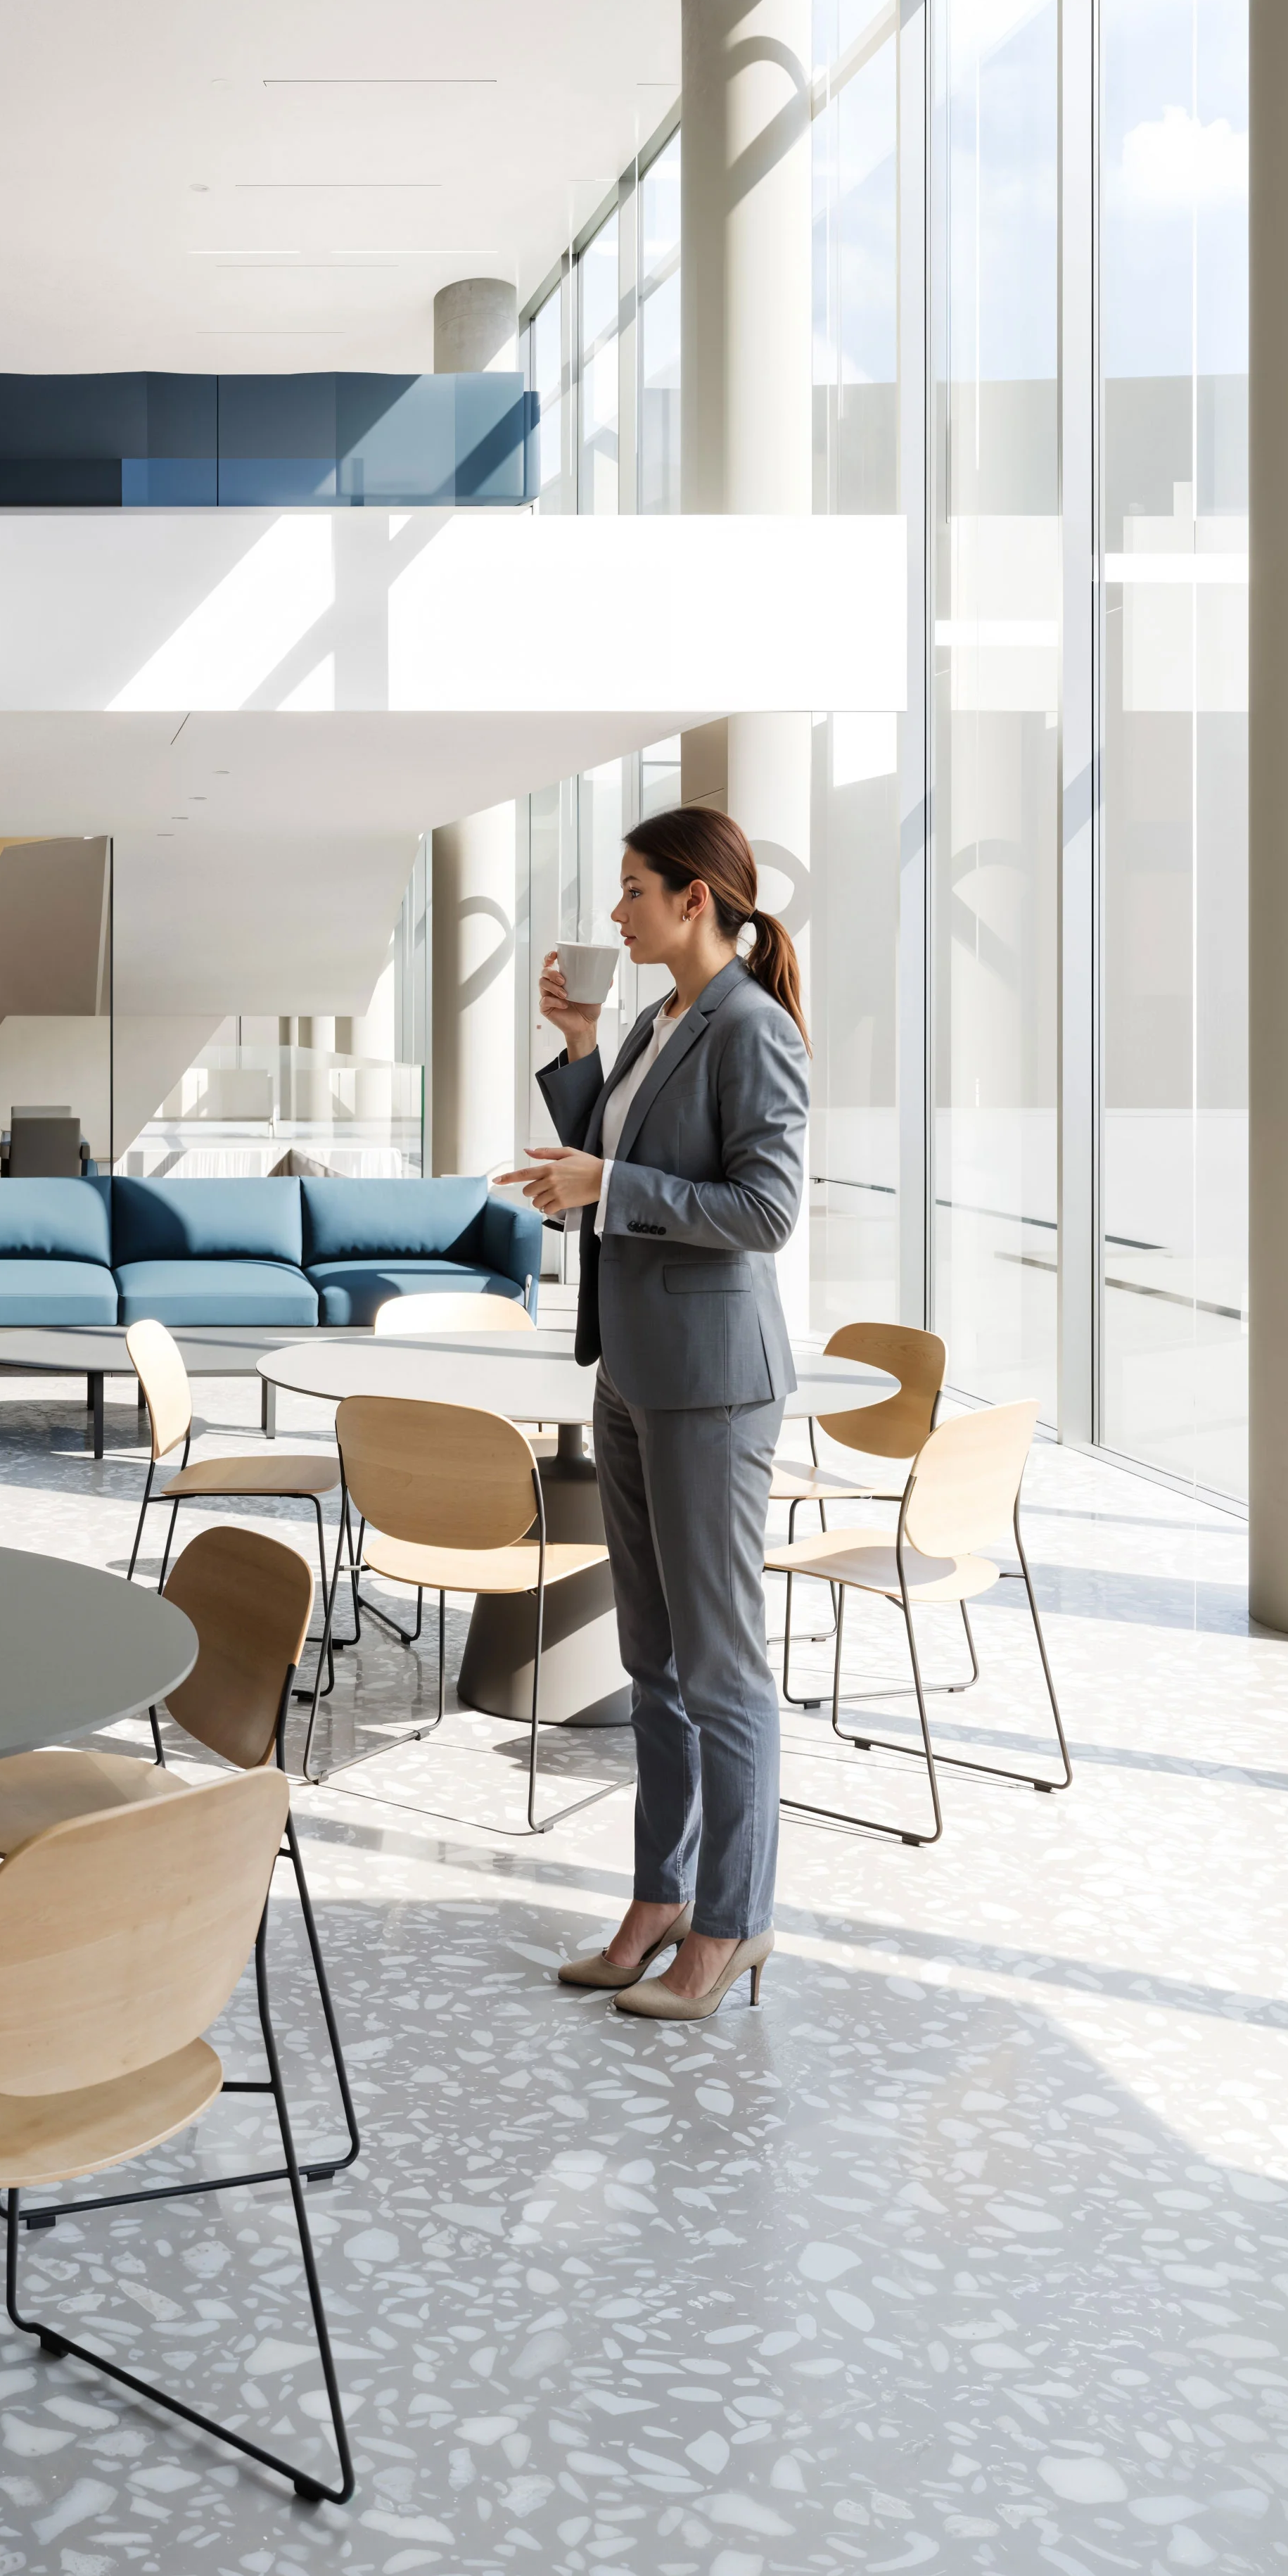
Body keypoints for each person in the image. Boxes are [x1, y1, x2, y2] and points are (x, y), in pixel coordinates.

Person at [496, 807, 809, 2019]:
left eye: (632, 890)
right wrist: (577, 1050)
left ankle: (732, 1923)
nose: (614, 913)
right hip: (628, 1368)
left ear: (694, 900)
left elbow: (764, 1212)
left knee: (722, 1671)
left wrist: (608, 1183)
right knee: (652, 1662)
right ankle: (657, 1899)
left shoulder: (753, 1029)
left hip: (713, 1383)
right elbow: (601, 1156)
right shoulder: (650, 1021)